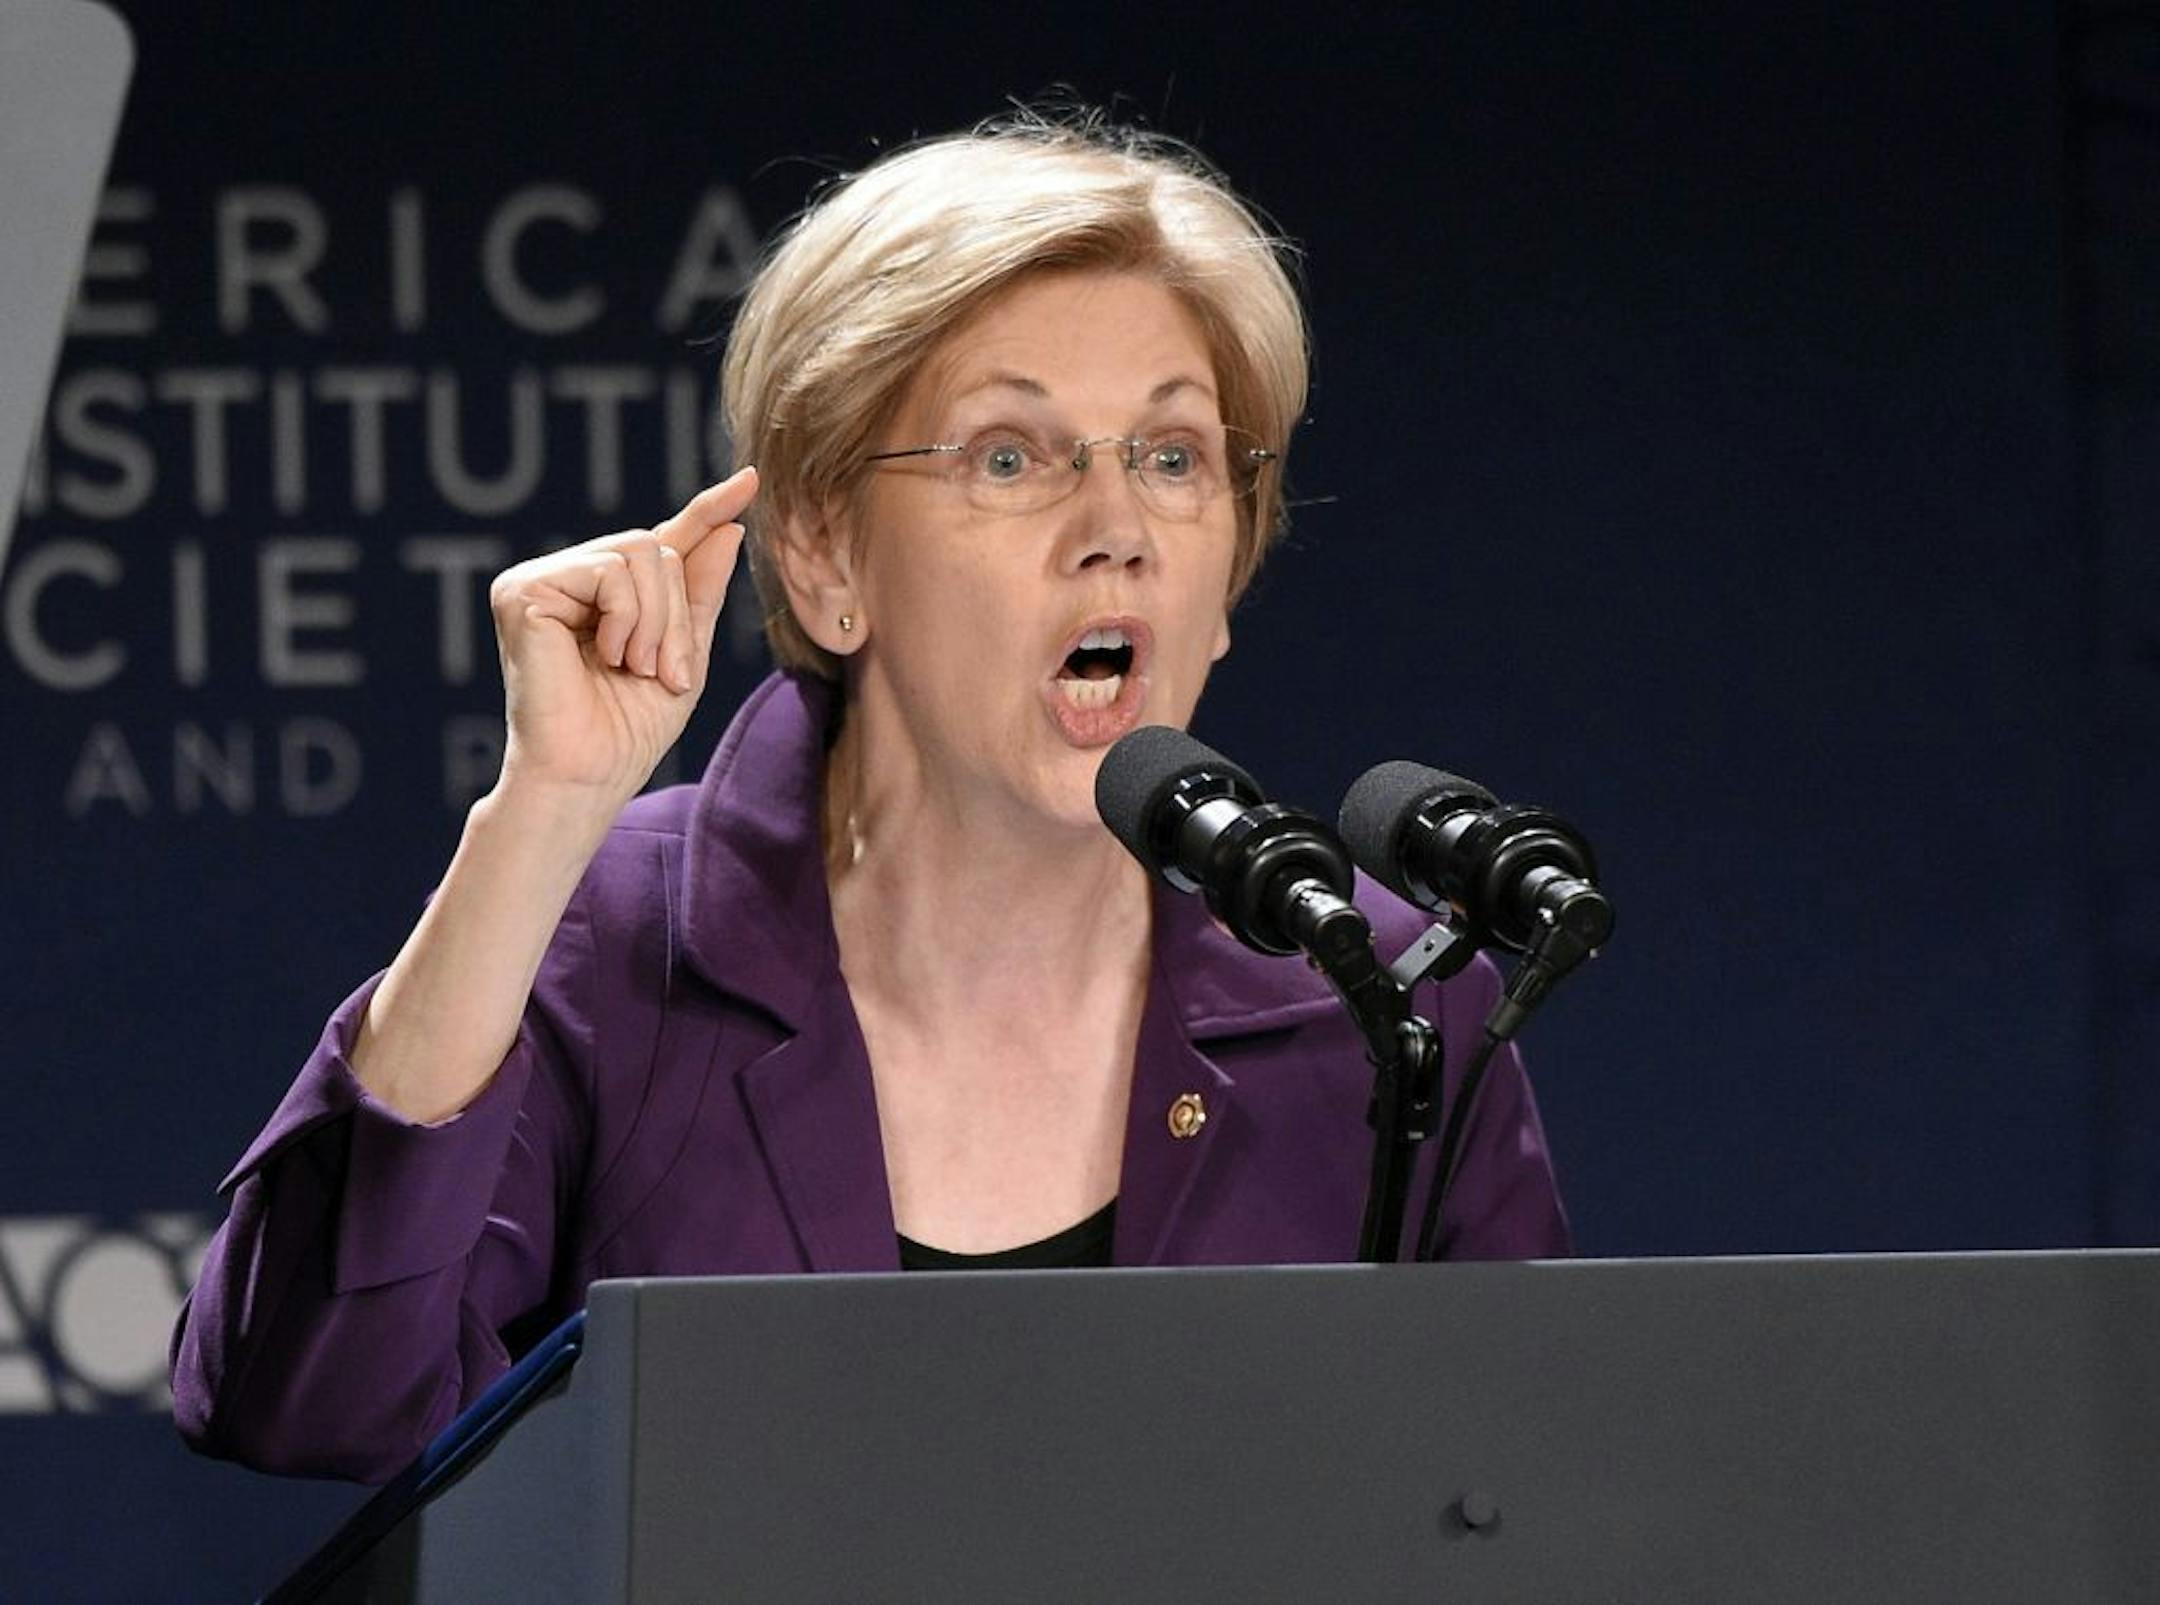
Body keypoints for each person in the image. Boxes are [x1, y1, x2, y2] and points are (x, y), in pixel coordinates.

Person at [170, 113, 1570, 1483]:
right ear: (825, 552)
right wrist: (544, 811)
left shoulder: (1377, 994)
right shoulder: (605, 950)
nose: (1118, 534)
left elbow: (1532, 1503)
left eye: (1171, 457)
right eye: (1011, 457)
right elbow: (307, 1397)